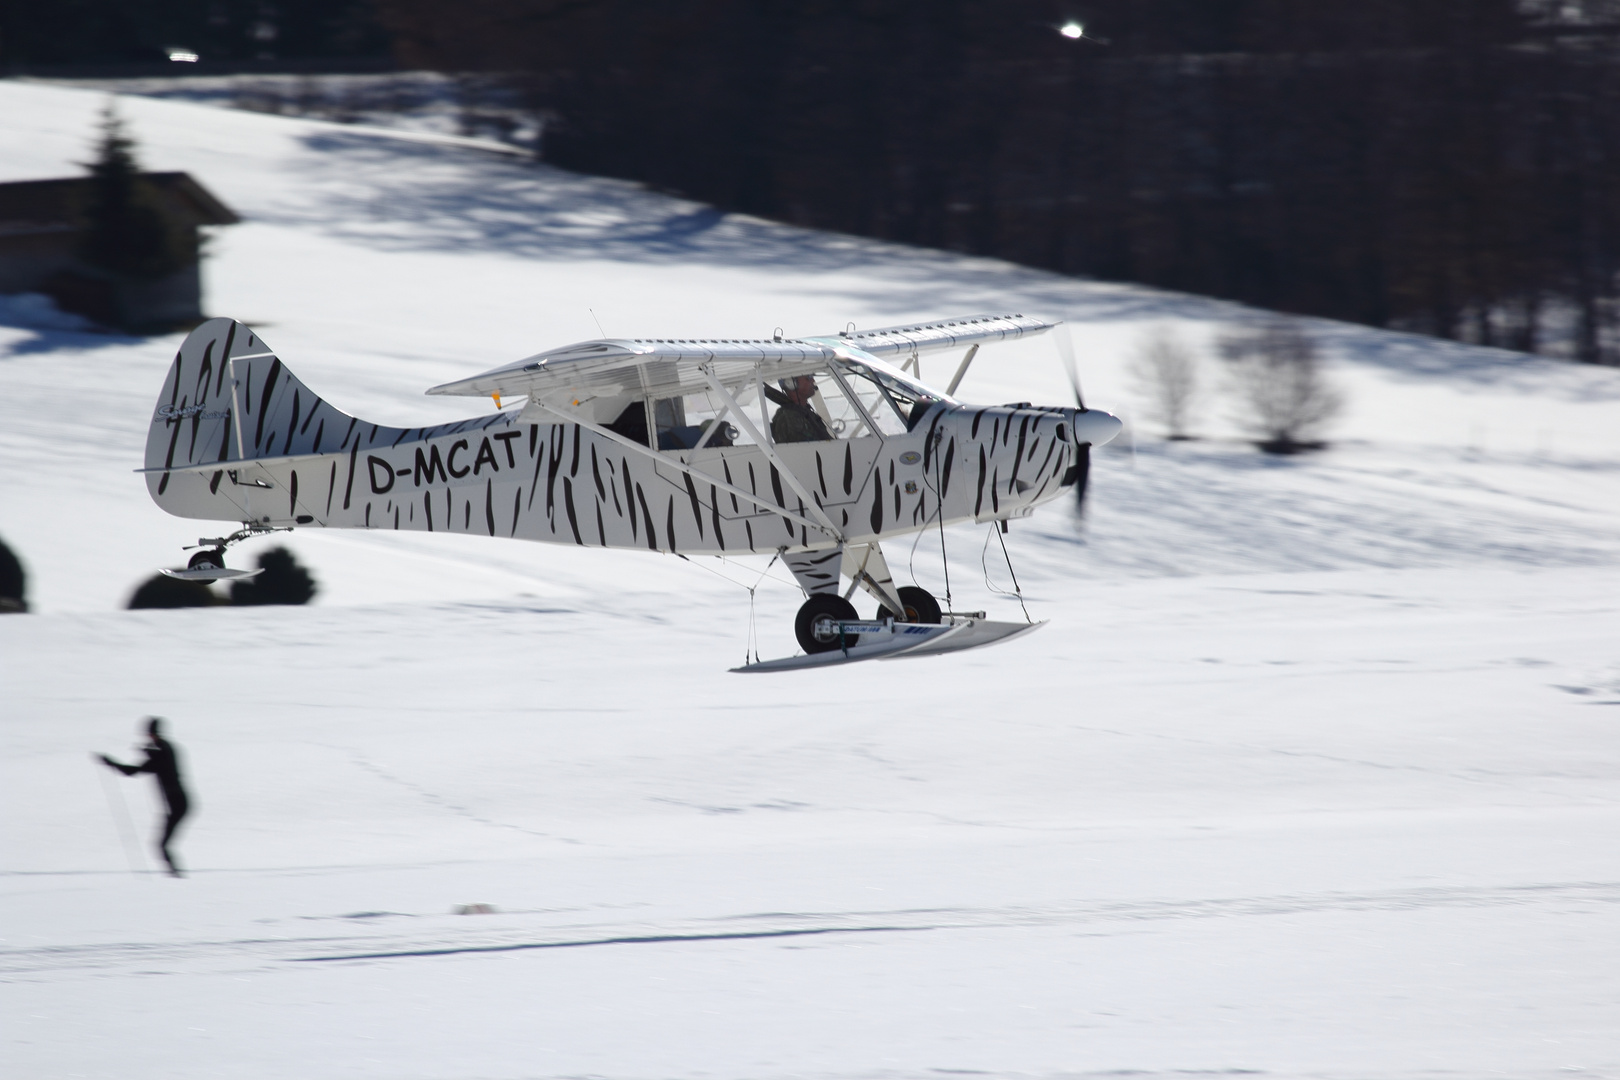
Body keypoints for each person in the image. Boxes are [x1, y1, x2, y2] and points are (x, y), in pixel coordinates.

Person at [100, 717, 191, 877]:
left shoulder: (160, 757)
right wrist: (149, 752)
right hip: (180, 804)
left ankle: (177, 879)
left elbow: (131, 771)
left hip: (178, 805)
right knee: (162, 846)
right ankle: (176, 876)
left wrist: (110, 763)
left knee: (162, 846)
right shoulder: (167, 750)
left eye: (149, 734)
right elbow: (162, 754)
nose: (148, 737)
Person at [764, 375, 833, 444]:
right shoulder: (789, 418)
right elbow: (807, 450)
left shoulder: (804, 412)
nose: (813, 380)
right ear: (791, 384)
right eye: (808, 377)